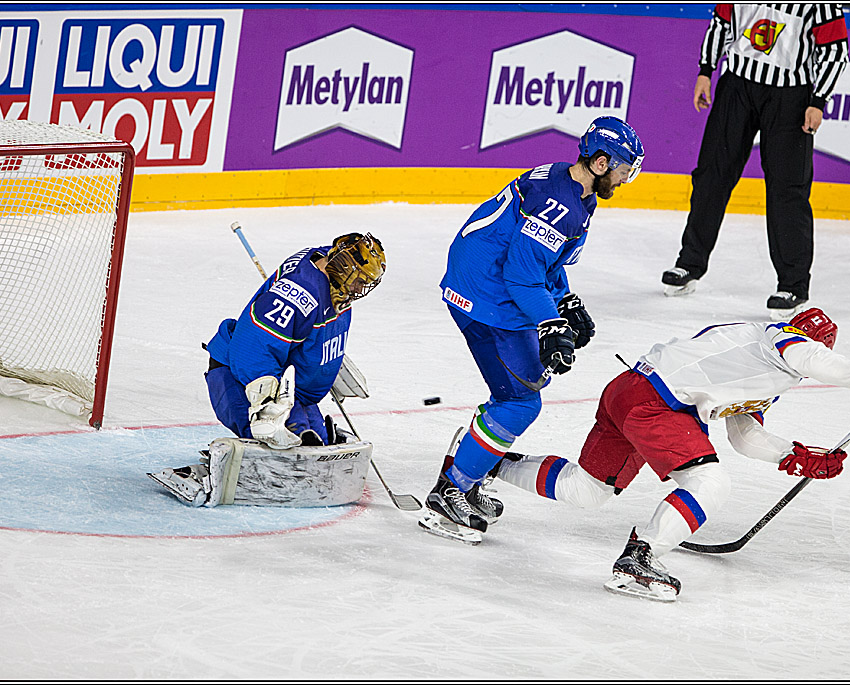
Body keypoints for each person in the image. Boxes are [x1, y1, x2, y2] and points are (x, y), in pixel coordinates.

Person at [488, 308, 850, 601]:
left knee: (588, 489)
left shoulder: (762, 369)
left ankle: (488, 463)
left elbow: (744, 435)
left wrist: (796, 456)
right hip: (658, 403)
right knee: (710, 483)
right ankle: (641, 559)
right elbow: (807, 354)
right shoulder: (780, 340)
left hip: (629, 390)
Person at [418, 116, 645, 544]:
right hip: (486, 298)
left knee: (516, 393)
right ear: (600, 163)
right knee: (519, 401)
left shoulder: (570, 184)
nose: (625, 176)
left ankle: (468, 470)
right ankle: (450, 491)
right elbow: (522, 277)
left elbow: (544, 264)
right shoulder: (562, 203)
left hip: (484, 284)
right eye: (623, 167)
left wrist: (565, 301)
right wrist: (550, 321)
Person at [148, 233, 386, 507]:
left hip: (293, 388)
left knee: (316, 448)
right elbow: (250, 351)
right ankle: (210, 470)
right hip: (240, 378)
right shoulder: (299, 294)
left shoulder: (329, 266)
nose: (360, 288)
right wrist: (266, 407)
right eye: (359, 280)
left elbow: (309, 328)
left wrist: (327, 360)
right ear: (343, 267)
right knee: (287, 449)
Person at [661, 4, 849, 320]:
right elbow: (721, 23)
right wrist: (706, 70)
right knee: (711, 175)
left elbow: (835, 51)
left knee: (787, 189)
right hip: (737, 86)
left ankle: (793, 285)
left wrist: (818, 100)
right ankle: (689, 264)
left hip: (790, 98)